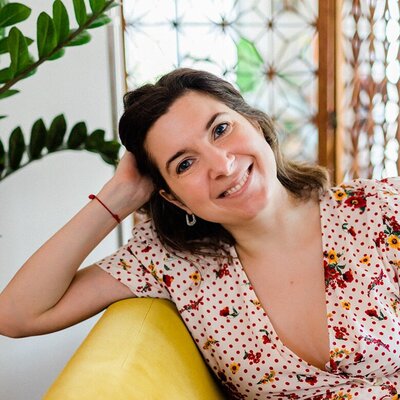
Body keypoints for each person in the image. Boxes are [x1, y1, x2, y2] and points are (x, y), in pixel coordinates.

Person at [0, 68, 399, 399]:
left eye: (221, 129)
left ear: (257, 125)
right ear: (174, 199)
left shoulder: (380, 210)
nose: (222, 165)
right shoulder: (172, 264)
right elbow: (17, 314)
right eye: (185, 163)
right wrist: (116, 199)